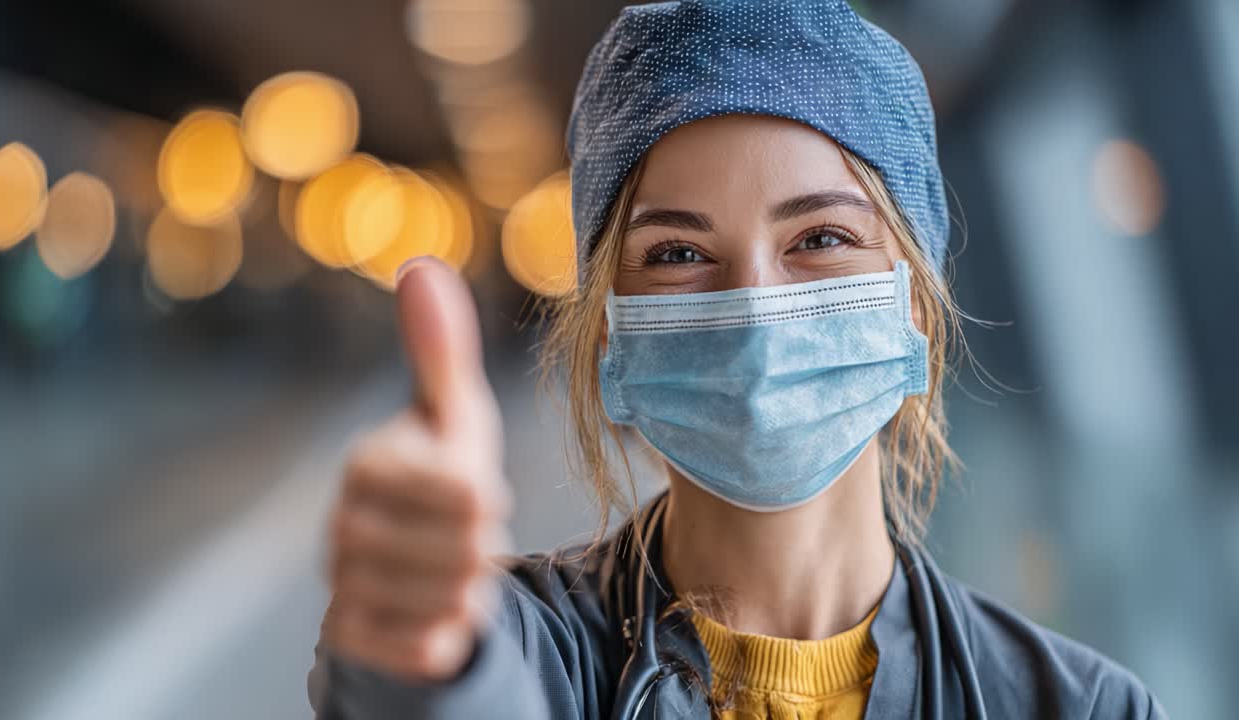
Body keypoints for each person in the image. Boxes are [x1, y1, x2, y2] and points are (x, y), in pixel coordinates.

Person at [308, 1, 1164, 717]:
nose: (756, 300)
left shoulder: (1078, 705)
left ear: (912, 302)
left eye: (821, 238)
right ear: (611, 329)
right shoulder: (528, 653)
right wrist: (419, 649)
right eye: (678, 253)